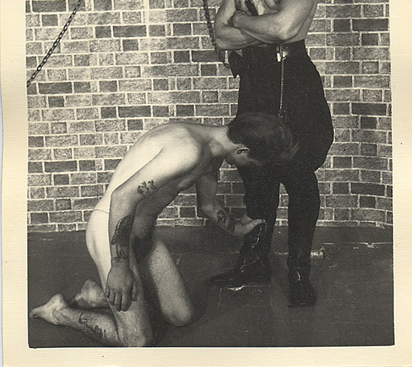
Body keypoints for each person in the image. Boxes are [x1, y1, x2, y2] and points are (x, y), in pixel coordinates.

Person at [29, 112, 297, 346]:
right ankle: (60, 312)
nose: (251, 169)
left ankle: (94, 295)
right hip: (110, 232)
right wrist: (119, 267)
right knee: (137, 341)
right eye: (254, 164)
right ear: (243, 150)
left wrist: (239, 229)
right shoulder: (188, 149)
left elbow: (208, 205)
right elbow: (122, 198)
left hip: (144, 234)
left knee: (181, 316)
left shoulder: (212, 152)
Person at [203, 0, 334, 307]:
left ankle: (298, 271)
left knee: (298, 174)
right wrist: (262, 28)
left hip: (294, 78)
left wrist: (241, 19)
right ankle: (255, 263)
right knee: (255, 174)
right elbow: (220, 38)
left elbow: (286, 28)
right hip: (255, 80)